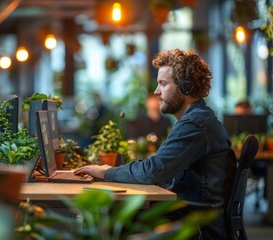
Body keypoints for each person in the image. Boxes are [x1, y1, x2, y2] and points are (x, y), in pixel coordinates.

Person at [75, 49, 236, 240]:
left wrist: (105, 172)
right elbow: (161, 168)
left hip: (196, 225)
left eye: (163, 84)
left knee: (111, 215)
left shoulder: (195, 124)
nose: (156, 91)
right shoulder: (196, 119)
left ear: (185, 87)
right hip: (193, 214)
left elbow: (154, 170)